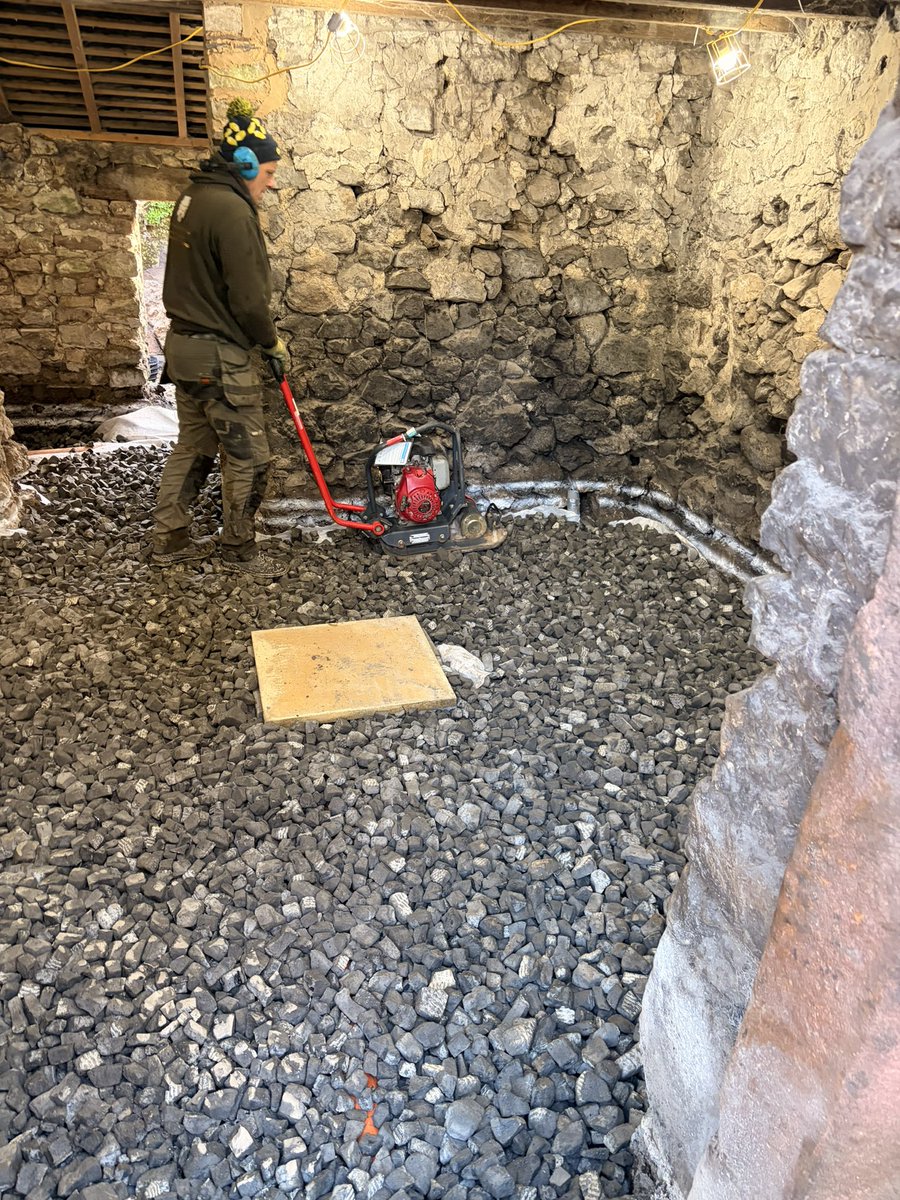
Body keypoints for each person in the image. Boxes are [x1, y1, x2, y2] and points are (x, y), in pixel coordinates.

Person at [150, 97, 287, 577]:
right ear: (246, 164)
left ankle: (170, 536)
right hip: (219, 357)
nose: (270, 184)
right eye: (268, 173)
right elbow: (249, 301)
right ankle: (238, 547)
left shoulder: (192, 197)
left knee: (194, 445)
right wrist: (269, 344)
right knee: (249, 456)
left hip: (183, 349)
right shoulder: (232, 210)